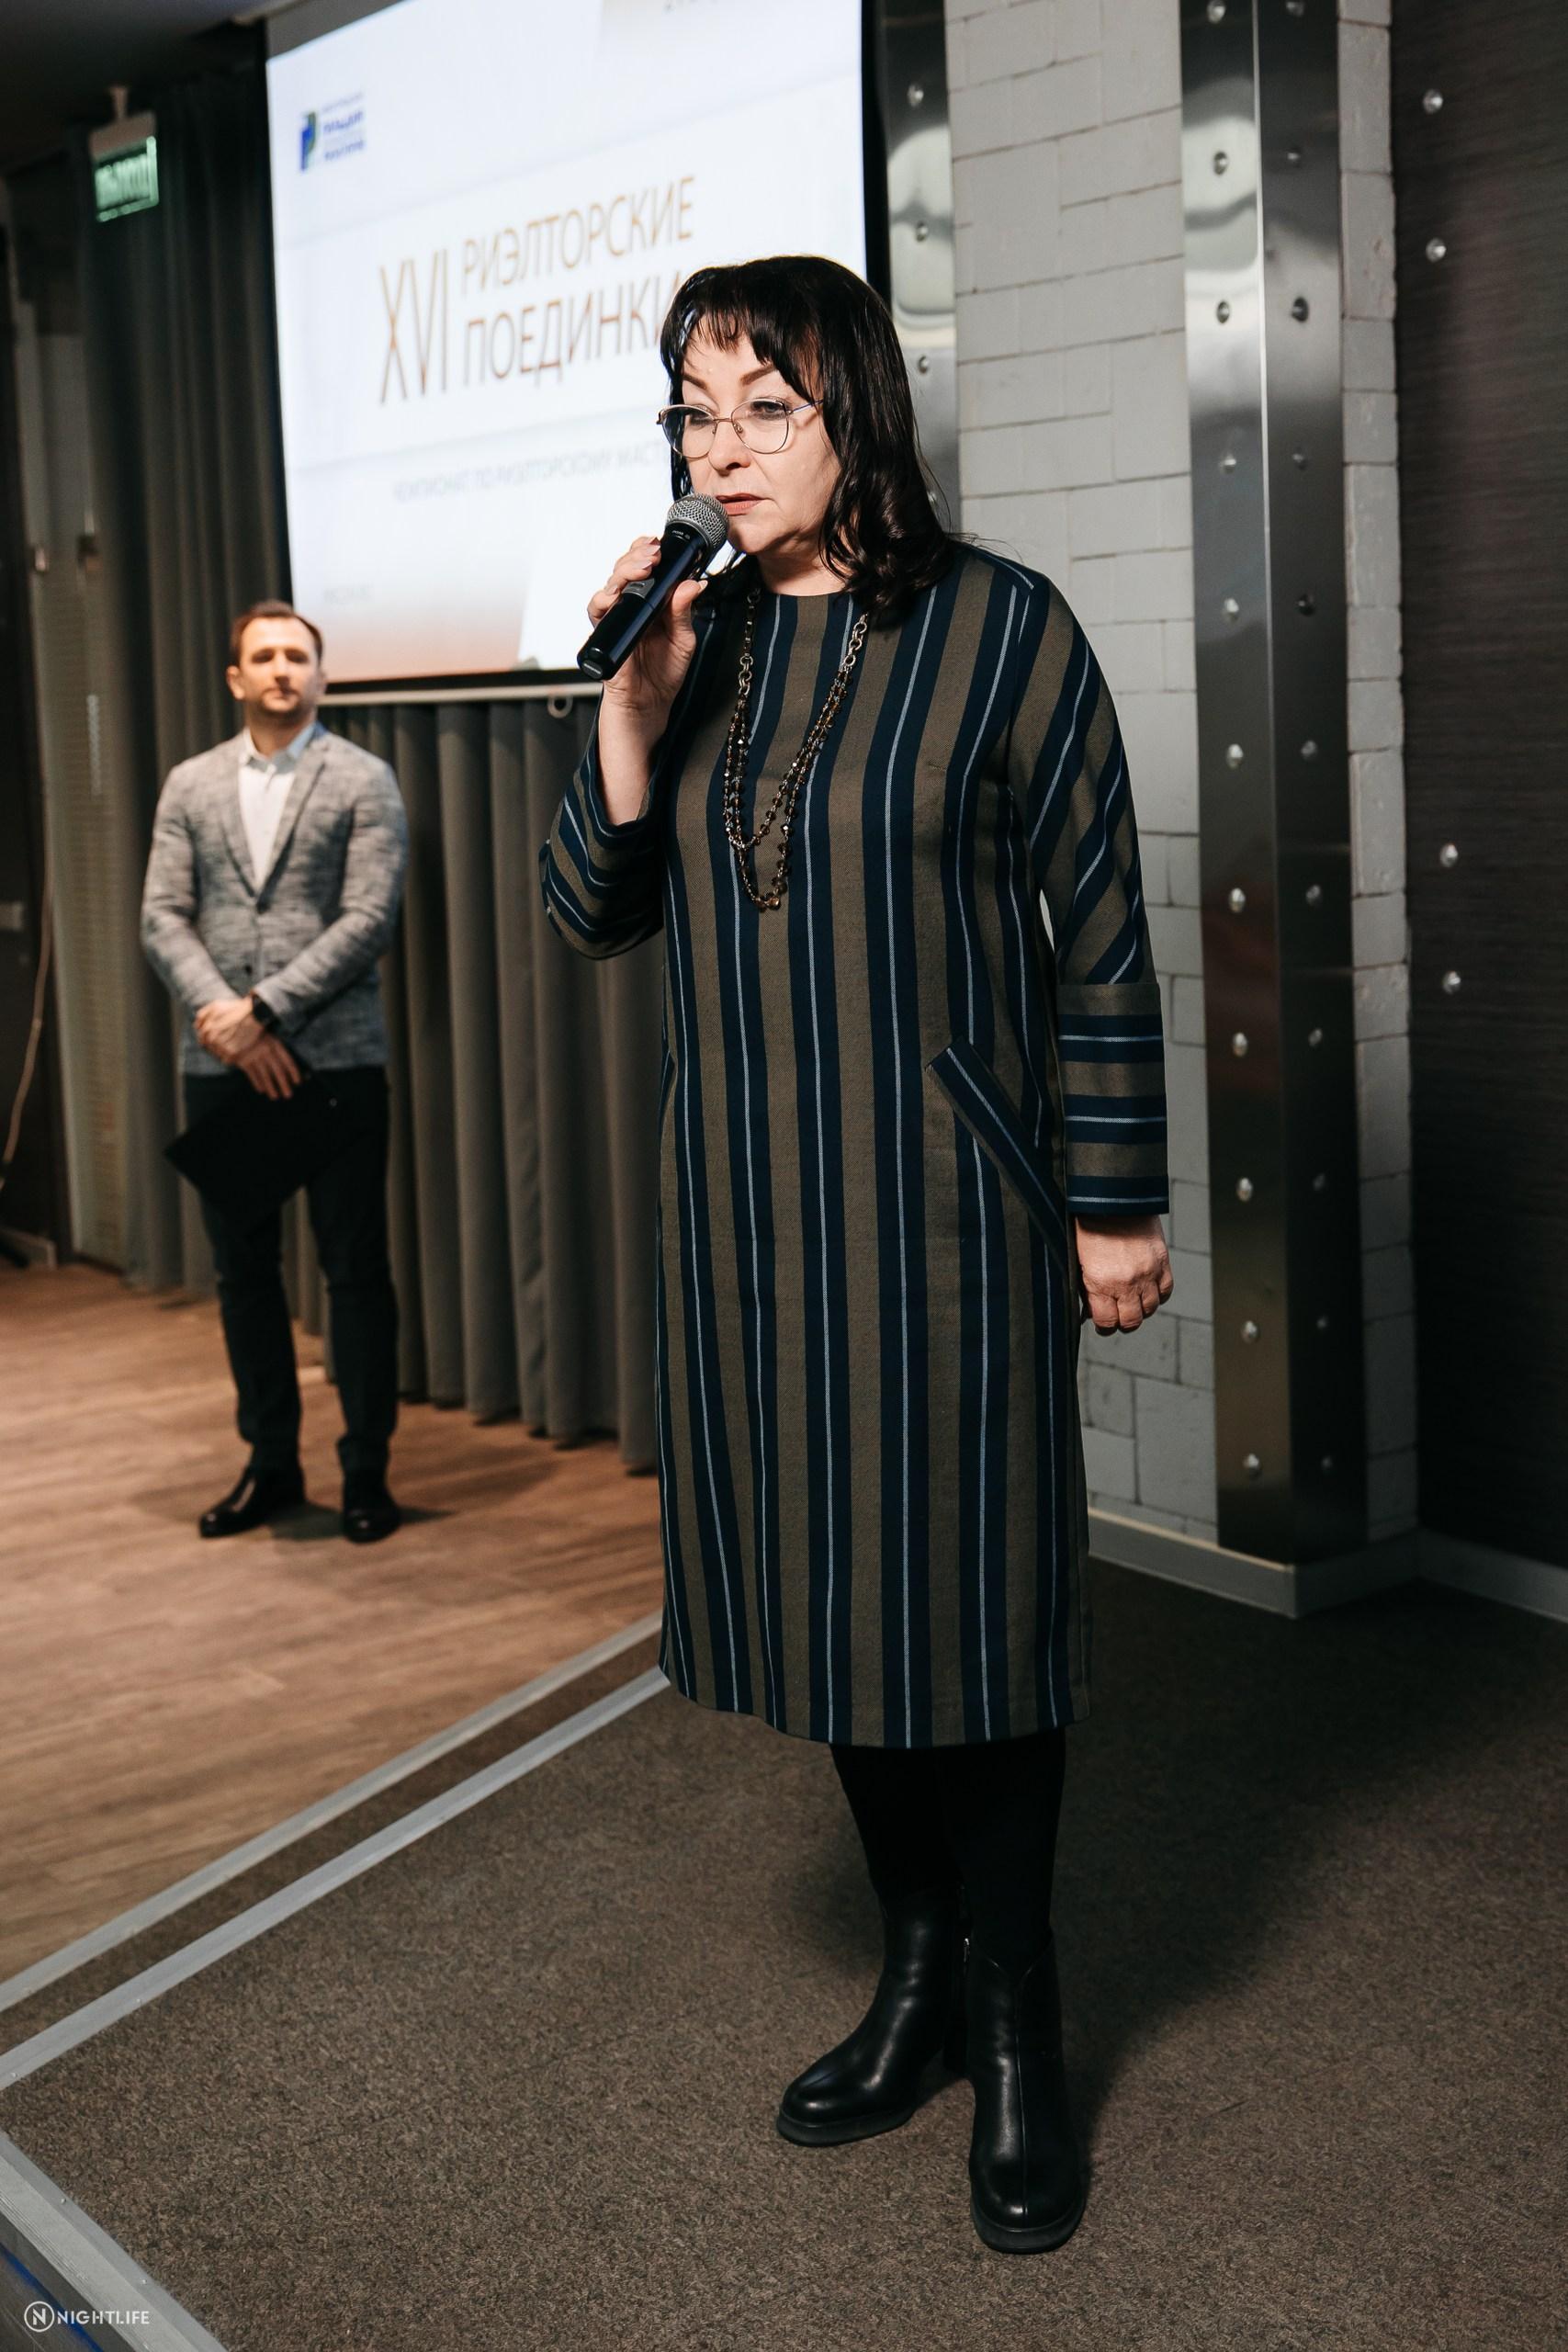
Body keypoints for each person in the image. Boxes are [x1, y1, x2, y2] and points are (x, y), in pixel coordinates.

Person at [538, 256, 1174, 2255]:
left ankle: (1018, 2013)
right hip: (747, 1218)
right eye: (693, 414)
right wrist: (630, 707)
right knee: (830, 1607)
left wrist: (1113, 1199)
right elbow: (587, 909)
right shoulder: (696, 639)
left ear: (855, 413)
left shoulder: (1001, 627)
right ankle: (914, 1977)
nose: (720, 452)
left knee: (968, 1616)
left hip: (949, 1215)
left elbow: (1099, 930)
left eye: (764, 409)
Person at [141, 601, 410, 1544]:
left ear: (321, 676)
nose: (282, 669)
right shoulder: (190, 783)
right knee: (242, 1272)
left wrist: (266, 1011)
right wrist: (230, 1020)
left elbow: (369, 918)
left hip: (337, 1060)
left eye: (299, 655)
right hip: (221, 1061)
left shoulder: (364, 778)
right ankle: (271, 1465)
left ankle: (366, 1472)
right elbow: (162, 915)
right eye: (264, 656)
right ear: (236, 678)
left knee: (355, 1270)